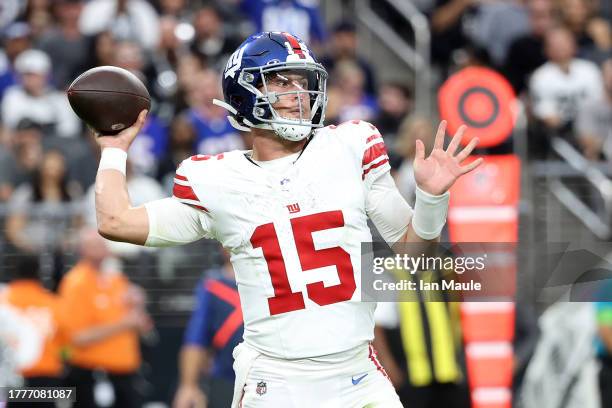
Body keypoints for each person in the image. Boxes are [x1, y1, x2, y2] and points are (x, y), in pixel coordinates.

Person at [93, 31, 483, 407]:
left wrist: (432, 198)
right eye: (281, 82)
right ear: (244, 94)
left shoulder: (349, 146)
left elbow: (413, 252)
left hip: (357, 372)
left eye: (303, 81)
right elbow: (115, 221)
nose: (298, 94)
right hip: (278, 382)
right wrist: (113, 150)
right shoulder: (214, 179)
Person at [59, 228, 153, 408]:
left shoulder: (116, 280)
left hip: (125, 373)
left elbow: (143, 326)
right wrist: (123, 324)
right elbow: (78, 337)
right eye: (94, 244)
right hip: (93, 375)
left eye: (102, 243)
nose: (101, 248)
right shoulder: (76, 283)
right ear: (82, 250)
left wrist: (139, 307)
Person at [173, 251, 243, 408]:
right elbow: (195, 337)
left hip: (270, 375)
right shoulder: (213, 284)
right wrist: (188, 385)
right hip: (225, 378)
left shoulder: (272, 279)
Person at [0, 255, 68, 408]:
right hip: (46, 378)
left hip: (10, 377)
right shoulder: (53, 303)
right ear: (39, 273)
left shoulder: (4, 299)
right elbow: (66, 345)